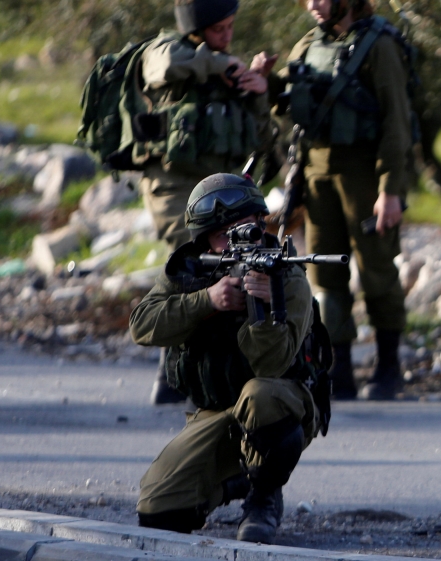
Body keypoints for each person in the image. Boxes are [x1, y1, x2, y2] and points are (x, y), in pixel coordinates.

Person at [129, 173, 317, 544]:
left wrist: (260, 307)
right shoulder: (192, 269)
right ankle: (236, 478)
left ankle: (264, 495)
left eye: (245, 228)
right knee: (159, 511)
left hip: (279, 405)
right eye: (224, 233)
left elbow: (273, 367)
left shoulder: (288, 278)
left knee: (260, 394)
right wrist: (208, 301)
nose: (238, 239)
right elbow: (142, 325)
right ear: (205, 241)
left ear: (262, 223)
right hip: (215, 412)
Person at [254, 0, 411, 400]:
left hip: (364, 173)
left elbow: (397, 122)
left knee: (377, 267)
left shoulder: (380, 46)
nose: (312, 5)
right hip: (316, 173)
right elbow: (288, 100)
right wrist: (266, 83)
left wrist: (390, 189)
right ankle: (338, 368)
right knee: (324, 270)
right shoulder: (308, 44)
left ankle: (389, 368)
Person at [140, 0, 275, 404]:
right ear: (197, 28)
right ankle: (172, 368)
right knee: (191, 260)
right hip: (173, 186)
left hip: (220, 194)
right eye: (218, 29)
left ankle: (223, 366)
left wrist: (257, 91)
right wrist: (220, 63)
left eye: (232, 27)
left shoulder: (230, 71)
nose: (227, 37)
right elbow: (163, 68)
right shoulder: (167, 51)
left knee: (235, 262)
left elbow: (263, 140)